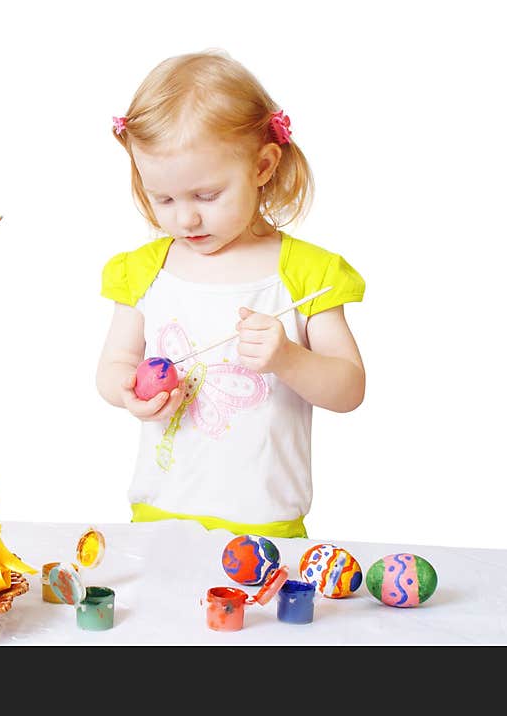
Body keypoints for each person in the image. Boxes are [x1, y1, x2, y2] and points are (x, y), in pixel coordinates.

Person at [96, 50, 365, 538]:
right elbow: (113, 365)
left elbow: (349, 390)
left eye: (207, 195)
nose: (186, 219)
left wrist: (288, 358)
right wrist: (129, 392)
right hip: (157, 517)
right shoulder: (142, 271)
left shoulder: (308, 272)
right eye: (164, 199)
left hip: (266, 527)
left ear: (262, 166)